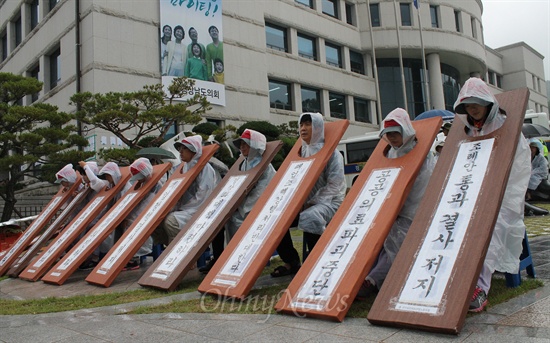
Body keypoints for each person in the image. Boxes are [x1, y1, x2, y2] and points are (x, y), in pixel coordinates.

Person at [453, 77, 530, 312]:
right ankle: (452, 279)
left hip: (500, 195)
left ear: (488, 102)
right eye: (467, 105)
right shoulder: (467, 132)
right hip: (471, 194)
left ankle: (479, 287)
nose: (472, 108)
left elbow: (519, 169)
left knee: (488, 227)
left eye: (477, 102)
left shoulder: (507, 127)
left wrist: (496, 192)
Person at [357, 108, 435, 299]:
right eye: (388, 134)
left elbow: (422, 189)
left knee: (399, 242)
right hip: (389, 211)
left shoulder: (424, 155)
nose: (391, 138)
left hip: (412, 213)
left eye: (395, 133)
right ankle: (373, 279)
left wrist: (397, 209)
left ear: (405, 131)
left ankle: (398, 281)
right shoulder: (390, 153)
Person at [271, 112, 346, 278]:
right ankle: (291, 261)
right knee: (278, 219)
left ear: (318, 127)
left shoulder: (333, 154)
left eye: (308, 124)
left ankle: (316, 263)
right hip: (305, 203)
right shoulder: (300, 154)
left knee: (311, 216)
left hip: (330, 202)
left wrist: (313, 202)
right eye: (301, 124)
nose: (303, 128)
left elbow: (335, 185)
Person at [200, 129, 276, 273]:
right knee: (228, 219)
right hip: (242, 205)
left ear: (255, 145)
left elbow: (262, 191)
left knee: (244, 221)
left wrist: (244, 206)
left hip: (258, 208)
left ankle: (251, 258)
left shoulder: (265, 165)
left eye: (245, 144)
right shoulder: (243, 164)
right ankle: (233, 256)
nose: (242, 147)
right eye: (240, 144)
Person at [152, 135, 220, 246]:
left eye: (185, 149)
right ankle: (169, 247)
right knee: (156, 220)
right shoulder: (182, 168)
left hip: (197, 209)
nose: (181, 152)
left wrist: (182, 209)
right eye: (180, 149)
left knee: (171, 221)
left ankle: (180, 250)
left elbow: (203, 196)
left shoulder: (205, 169)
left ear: (193, 151)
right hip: (183, 208)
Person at [119, 158, 164, 270]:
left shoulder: (157, 185)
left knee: (133, 223)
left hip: (148, 215)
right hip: (137, 214)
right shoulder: (141, 184)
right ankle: (127, 255)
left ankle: (133, 258)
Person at [77, 161, 123, 270]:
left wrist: (85, 166)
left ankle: (94, 258)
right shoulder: (89, 187)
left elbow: (94, 180)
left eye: (85, 174)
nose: (83, 177)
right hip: (96, 218)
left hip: (105, 218)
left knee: (92, 231)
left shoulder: (103, 184)